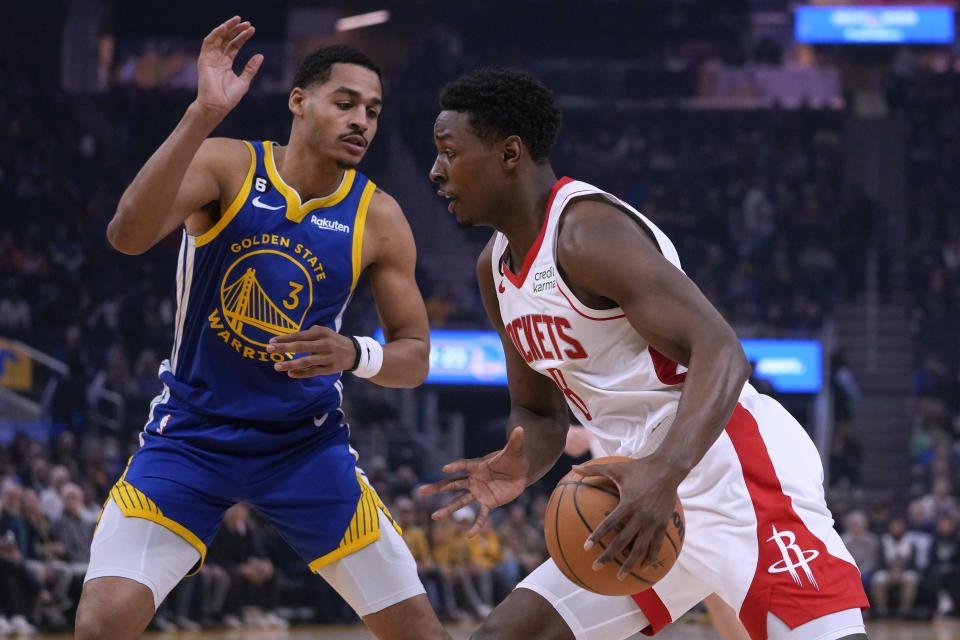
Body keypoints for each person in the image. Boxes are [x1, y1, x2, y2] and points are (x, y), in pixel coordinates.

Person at [422, 67, 869, 640]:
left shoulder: (586, 233)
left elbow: (722, 351)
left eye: (449, 153)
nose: (436, 171)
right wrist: (520, 462)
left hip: (727, 468)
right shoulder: (495, 268)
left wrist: (664, 475)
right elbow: (539, 413)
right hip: (634, 491)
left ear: (509, 153)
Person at [74, 17, 446, 640]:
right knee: (100, 625)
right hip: (191, 438)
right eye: (346, 102)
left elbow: (414, 357)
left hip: (304, 447)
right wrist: (200, 115)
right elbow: (126, 236)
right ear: (299, 102)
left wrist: (354, 353)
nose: (362, 121)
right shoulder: (227, 164)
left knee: (421, 633)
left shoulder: (379, 215)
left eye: (374, 111)